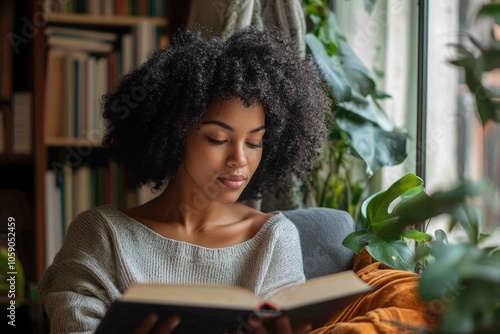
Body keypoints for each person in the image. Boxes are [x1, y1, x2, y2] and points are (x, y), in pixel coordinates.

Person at [38, 26, 331, 334]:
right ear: (173, 136)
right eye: (218, 138)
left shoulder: (273, 241)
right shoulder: (102, 236)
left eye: (254, 142)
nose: (239, 160)